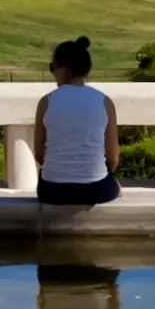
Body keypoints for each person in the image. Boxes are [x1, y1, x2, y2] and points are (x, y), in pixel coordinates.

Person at [31, 36, 120, 208]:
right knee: (115, 186)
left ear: (65, 69)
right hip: (95, 189)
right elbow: (113, 159)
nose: (52, 73)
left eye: (53, 67)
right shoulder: (104, 102)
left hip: (51, 190)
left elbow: (39, 153)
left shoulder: (46, 102)